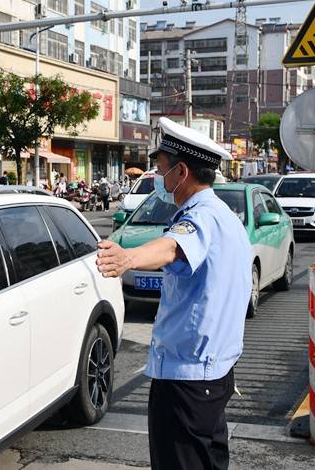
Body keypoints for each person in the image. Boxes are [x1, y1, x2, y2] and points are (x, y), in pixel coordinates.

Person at [96, 117, 250, 470]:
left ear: (181, 172)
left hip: (188, 381)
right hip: (214, 374)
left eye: (161, 169)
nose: (158, 178)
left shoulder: (200, 217)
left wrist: (127, 257)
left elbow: (173, 247)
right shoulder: (224, 215)